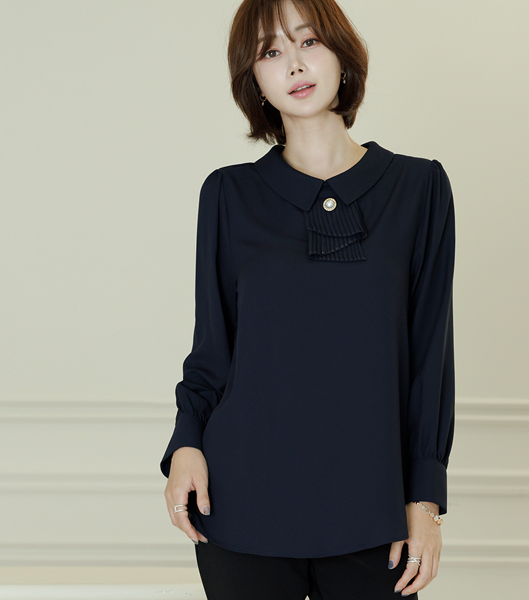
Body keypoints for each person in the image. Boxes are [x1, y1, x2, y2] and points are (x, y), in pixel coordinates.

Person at [160, 0, 456, 598]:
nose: (294, 64)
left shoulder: (420, 189)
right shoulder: (228, 195)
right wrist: (187, 442)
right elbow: (213, 347)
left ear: (343, 54)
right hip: (242, 500)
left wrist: (425, 497)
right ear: (254, 80)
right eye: (271, 51)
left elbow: (430, 357)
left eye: (309, 41)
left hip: (375, 509)